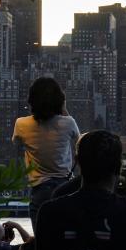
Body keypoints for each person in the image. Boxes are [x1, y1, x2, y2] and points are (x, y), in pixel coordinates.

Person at [12, 77, 79, 228]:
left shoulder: (21, 124)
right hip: (66, 189)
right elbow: (79, 141)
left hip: (40, 190)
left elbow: (16, 142)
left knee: (43, 244)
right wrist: (63, 109)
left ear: (31, 100)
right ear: (60, 100)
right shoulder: (68, 123)